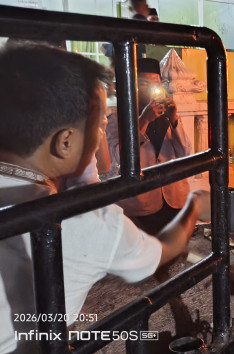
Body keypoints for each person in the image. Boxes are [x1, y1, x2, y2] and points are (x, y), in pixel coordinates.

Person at [0, 43, 210, 353]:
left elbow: (185, 152)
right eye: (98, 125)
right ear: (66, 142)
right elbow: (163, 250)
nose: (102, 132)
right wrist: (195, 205)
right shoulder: (86, 219)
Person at [107, 58, 193, 235]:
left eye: (155, 83)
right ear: (134, 86)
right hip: (140, 204)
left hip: (174, 199)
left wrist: (175, 120)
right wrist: (144, 120)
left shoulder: (167, 115)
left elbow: (186, 153)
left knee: (177, 255)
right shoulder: (117, 120)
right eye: (144, 83)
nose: (151, 89)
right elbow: (118, 159)